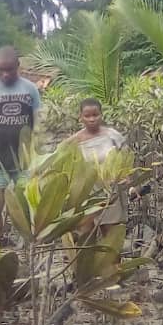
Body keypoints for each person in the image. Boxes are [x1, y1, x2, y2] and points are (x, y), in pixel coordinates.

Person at [0, 47, 41, 239]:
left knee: (27, 205)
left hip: (24, 160)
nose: (5, 74)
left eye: (10, 70)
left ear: (18, 66)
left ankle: (28, 246)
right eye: (1, 70)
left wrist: (32, 149)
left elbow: (38, 122)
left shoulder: (30, 89)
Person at [66, 98, 128, 233]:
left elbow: (126, 159)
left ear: (101, 115)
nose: (92, 119)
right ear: (80, 117)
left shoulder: (112, 136)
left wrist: (130, 182)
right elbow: (64, 164)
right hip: (86, 193)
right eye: (87, 116)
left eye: (95, 115)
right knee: (86, 235)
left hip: (111, 191)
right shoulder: (74, 141)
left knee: (110, 234)